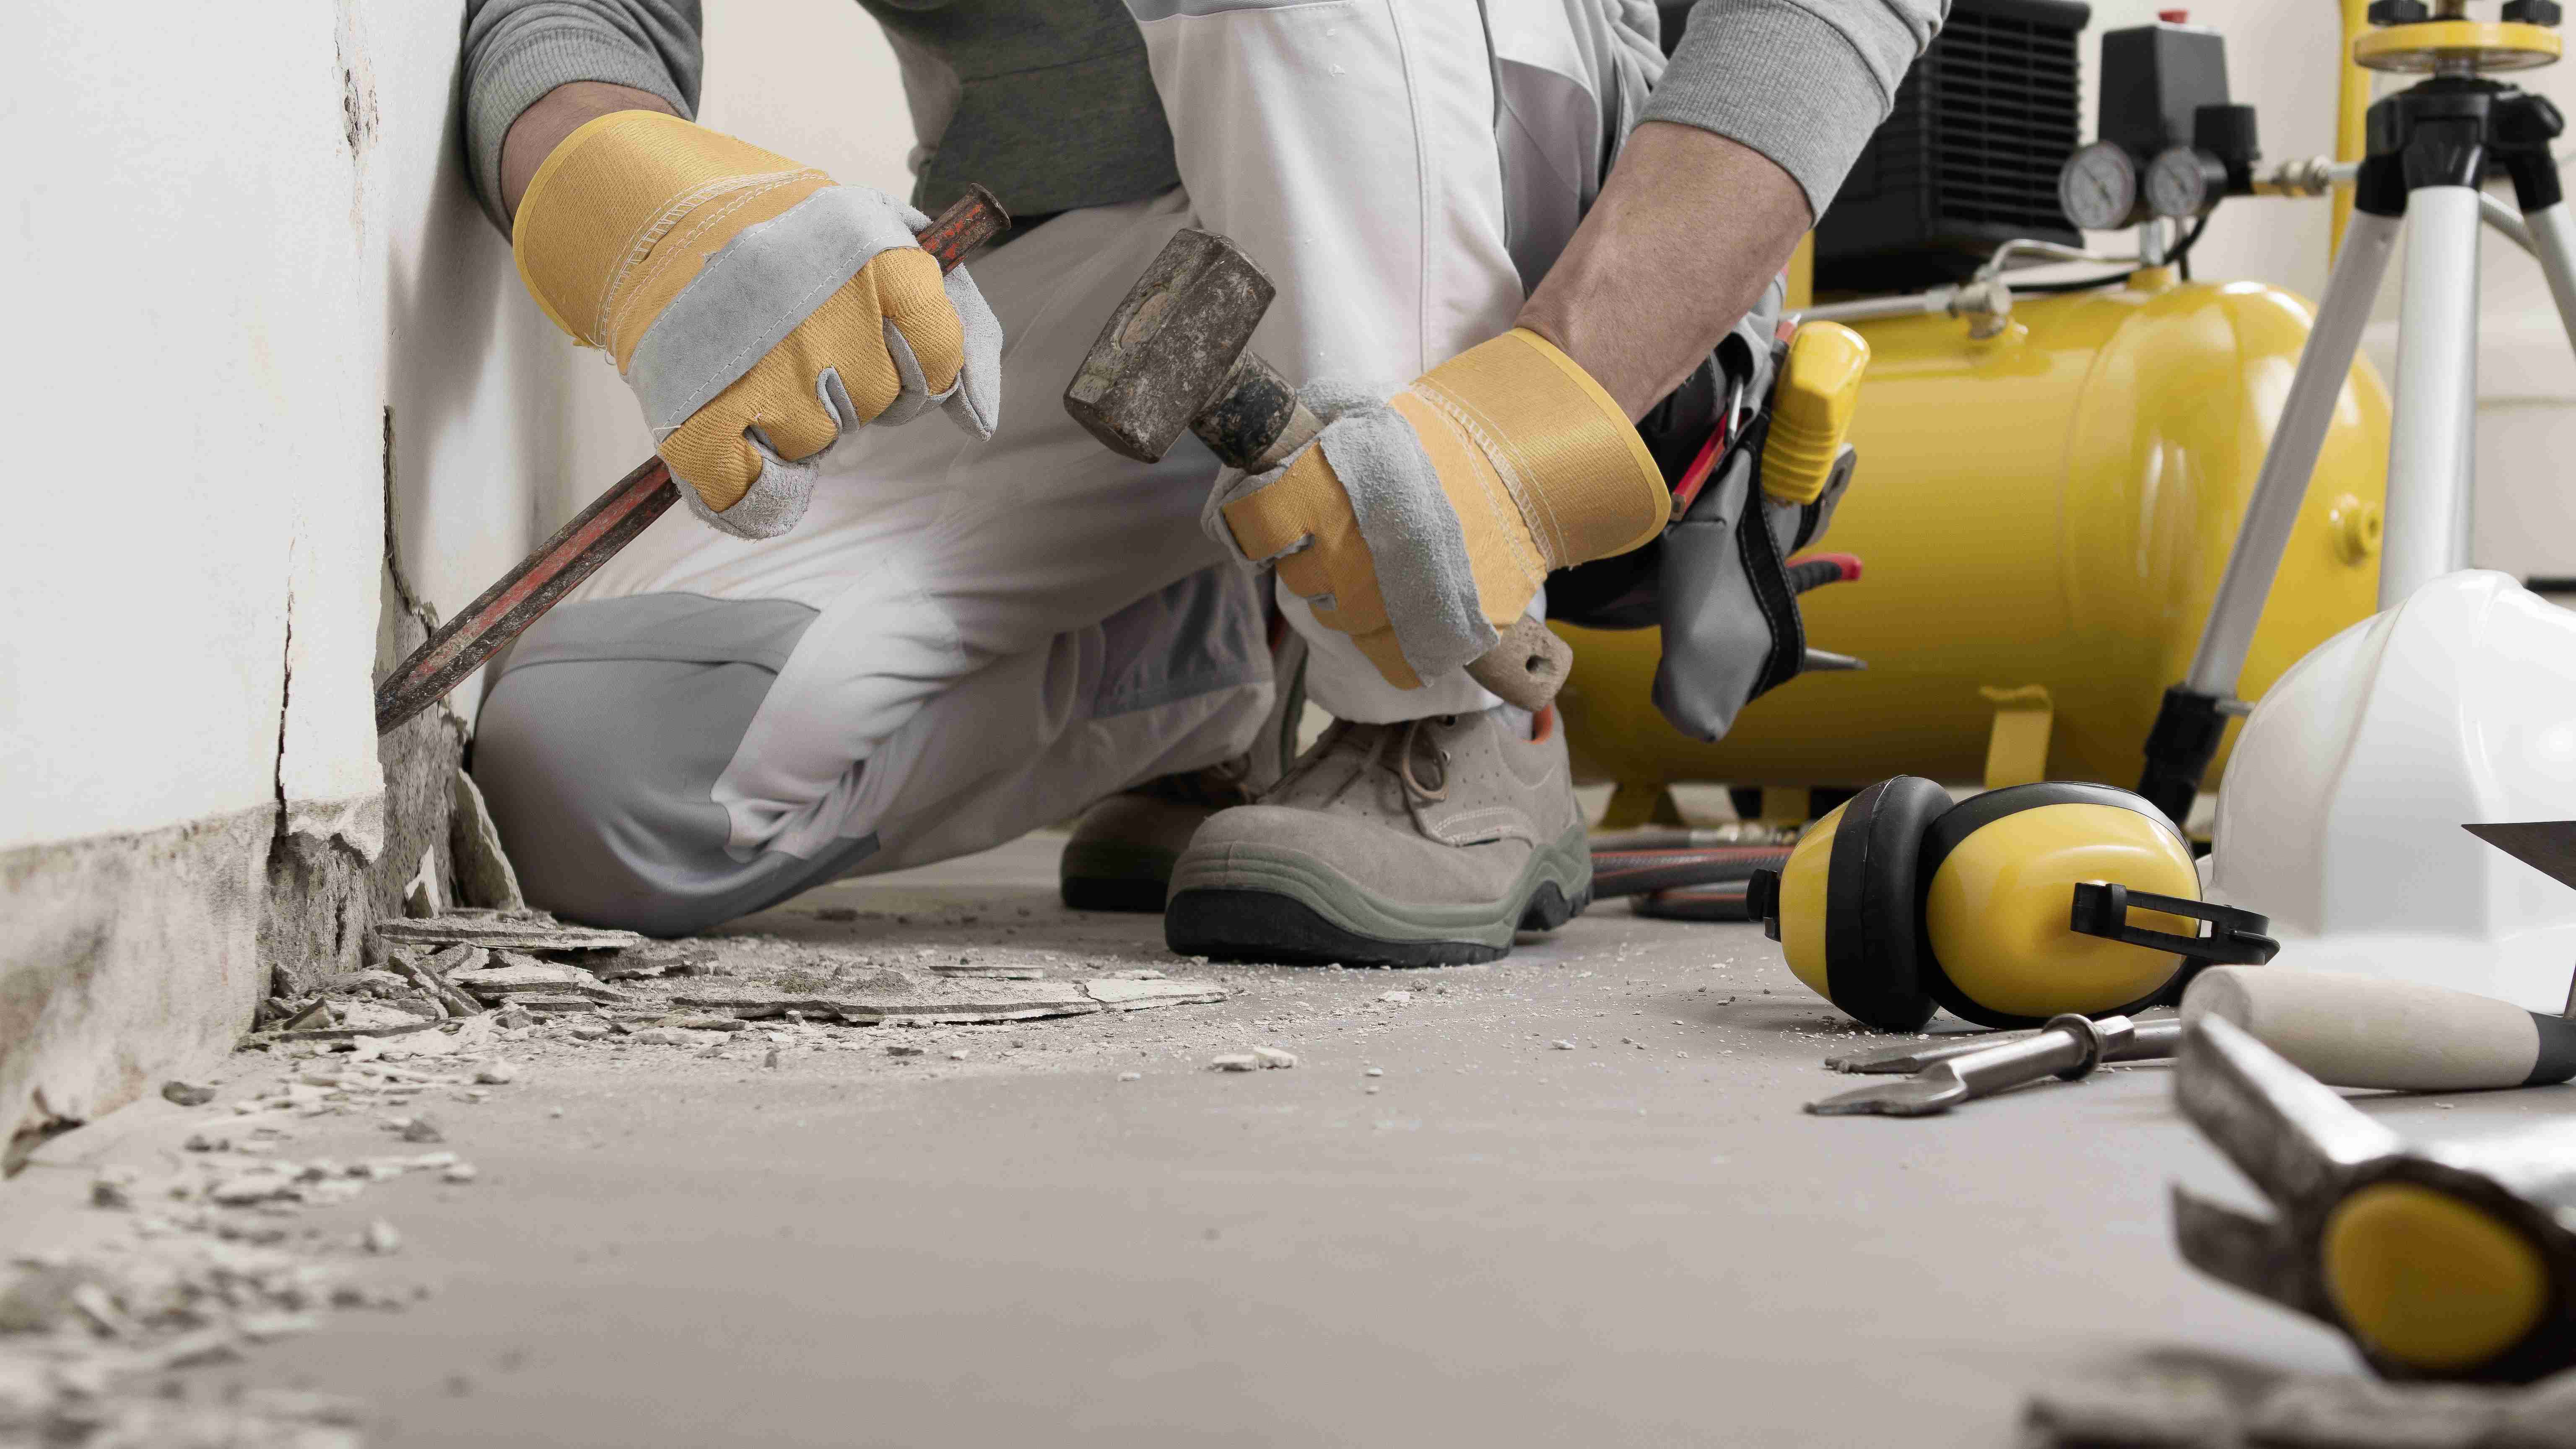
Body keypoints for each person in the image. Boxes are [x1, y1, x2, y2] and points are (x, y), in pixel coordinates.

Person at [462, 0, 1942, 963]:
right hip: (1107, 262)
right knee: (607, 772)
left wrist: (1546, 411)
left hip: (1539, 243)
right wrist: (641, 203)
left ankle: (1448, 716)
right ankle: (1216, 663)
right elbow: (571, 18)